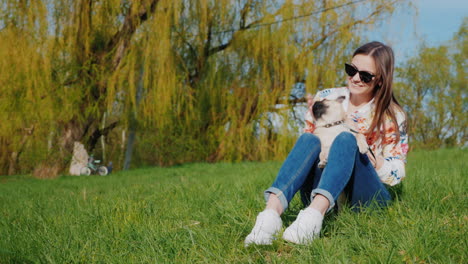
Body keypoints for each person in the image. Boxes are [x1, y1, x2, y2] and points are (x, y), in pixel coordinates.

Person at [244, 41, 409, 245]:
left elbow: (398, 173)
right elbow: (307, 149)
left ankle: (312, 218)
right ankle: (269, 217)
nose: (355, 78)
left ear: (381, 81)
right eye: (351, 70)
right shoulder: (326, 97)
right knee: (308, 138)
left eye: (365, 76)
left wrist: (374, 160)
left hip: (364, 196)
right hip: (322, 185)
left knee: (347, 139)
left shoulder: (391, 115)